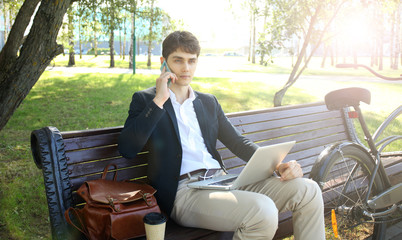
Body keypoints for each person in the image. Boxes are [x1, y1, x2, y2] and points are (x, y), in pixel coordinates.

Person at [118, 31, 325, 240]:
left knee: (308, 190)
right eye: (178, 60)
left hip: (222, 181)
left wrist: (278, 165)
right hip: (183, 193)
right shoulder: (146, 101)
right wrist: (159, 100)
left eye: (191, 61)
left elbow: (238, 142)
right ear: (164, 62)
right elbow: (127, 148)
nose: (186, 68)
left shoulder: (207, 102)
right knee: (262, 211)